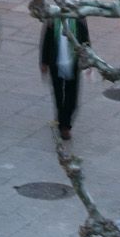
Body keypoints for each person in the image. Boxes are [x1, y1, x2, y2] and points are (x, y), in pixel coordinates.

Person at [40, 13, 90, 141]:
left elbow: (86, 42)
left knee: (72, 98)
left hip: (73, 64)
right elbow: (46, 41)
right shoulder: (52, 21)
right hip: (56, 64)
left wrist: (88, 62)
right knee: (58, 95)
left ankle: (64, 122)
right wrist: (44, 62)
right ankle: (64, 126)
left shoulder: (79, 21)